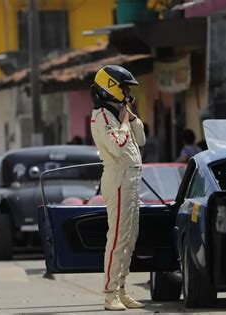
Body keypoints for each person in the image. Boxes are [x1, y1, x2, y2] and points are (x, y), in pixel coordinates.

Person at [90, 65, 146, 311]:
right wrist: (124, 123)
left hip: (132, 179)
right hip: (118, 178)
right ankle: (109, 293)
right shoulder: (102, 115)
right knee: (117, 238)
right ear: (111, 87)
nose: (126, 92)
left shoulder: (119, 113)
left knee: (130, 238)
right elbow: (117, 147)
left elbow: (142, 139)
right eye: (123, 87)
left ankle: (121, 289)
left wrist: (130, 118)